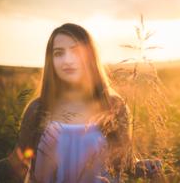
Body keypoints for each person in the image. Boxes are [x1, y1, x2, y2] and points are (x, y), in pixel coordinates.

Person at [7, 23, 133, 182]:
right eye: (59, 53)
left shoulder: (114, 106)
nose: (67, 60)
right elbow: (17, 164)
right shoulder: (38, 109)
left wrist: (148, 167)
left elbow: (126, 164)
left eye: (76, 52)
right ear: (50, 60)